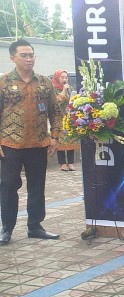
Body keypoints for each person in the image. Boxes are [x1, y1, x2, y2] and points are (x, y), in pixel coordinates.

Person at [0, 39, 63, 245]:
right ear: (12, 58)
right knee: (9, 185)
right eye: (24, 55)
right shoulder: (4, 82)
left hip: (38, 143)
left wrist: (55, 136)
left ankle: (35, 226)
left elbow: (55, 111)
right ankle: (6, 229)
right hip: (10, 144)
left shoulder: (44, 82)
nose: (29, 59)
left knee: (37, 186)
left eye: (31, 55)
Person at [52, 69, 78, 172]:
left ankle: (71, 162)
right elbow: (57, 101)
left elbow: (73, 99)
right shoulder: (54, 89)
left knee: (71, 138)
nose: (64, 79)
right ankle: (62, 163)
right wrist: (63, 90)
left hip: (69, 117)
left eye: (66, 77)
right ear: (57, 78)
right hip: (59, 117)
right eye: (62, 77)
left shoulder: (70, 88)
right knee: (61, 140)